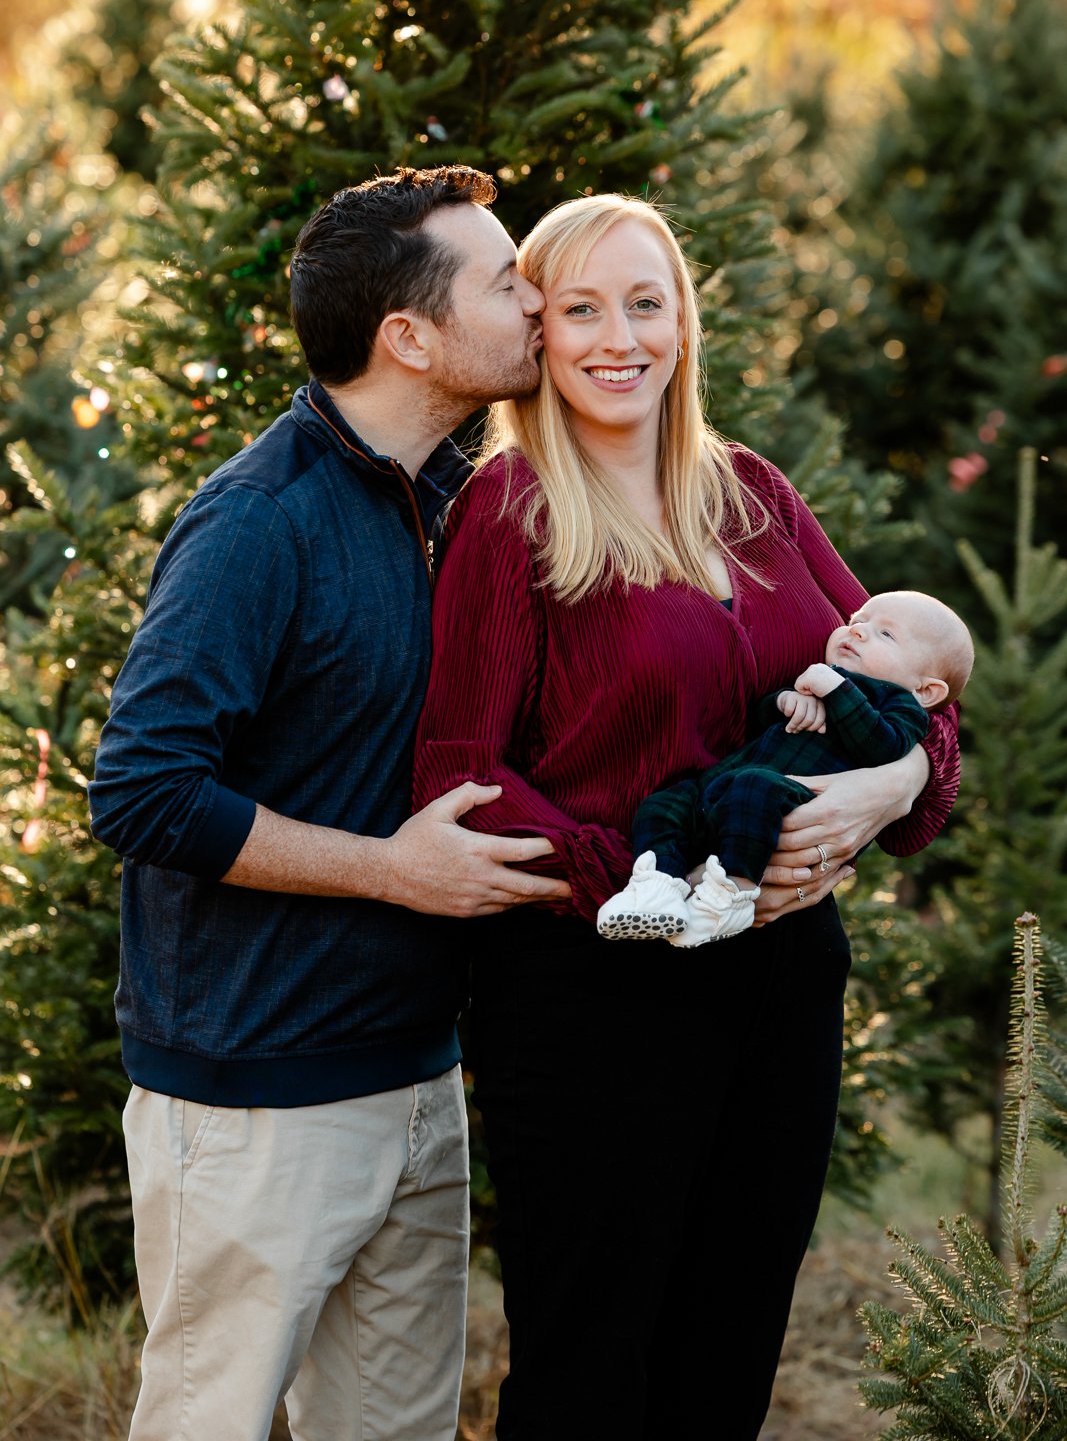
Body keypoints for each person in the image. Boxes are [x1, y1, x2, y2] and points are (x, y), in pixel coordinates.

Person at [412, 193, 960, 1440]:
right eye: (584, 308)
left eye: (644, 304)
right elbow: (459, 771)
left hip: (780, 990)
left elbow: (915, 682)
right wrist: (659, 871)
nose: (619, 338)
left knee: (725, 1358)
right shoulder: (511, 514)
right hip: (595, 989)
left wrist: (886, 787)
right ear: (540, 334)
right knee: (589, 1366)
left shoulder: (753, 494)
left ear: (681, 325)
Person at [88, 165, 570, 1441]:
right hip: (252, 1100)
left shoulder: (466, 502)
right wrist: (391, 870)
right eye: (504, 279)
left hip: (416, 1082)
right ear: (406, 335)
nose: (539, 301)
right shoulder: (259, 520)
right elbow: (141, 788)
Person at [598, 588, 973, 947]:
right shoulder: (818, 678)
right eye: (856, 619)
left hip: (790, 796)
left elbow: (883, 746)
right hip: (722, 789)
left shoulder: (901, 707)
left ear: (927, 692)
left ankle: (731, 893)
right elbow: (762, 724)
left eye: (885, 633)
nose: (856, 629)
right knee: (667, 802)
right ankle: (656, 886)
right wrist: (785, 701)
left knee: (755, 786)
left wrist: (835, 690)